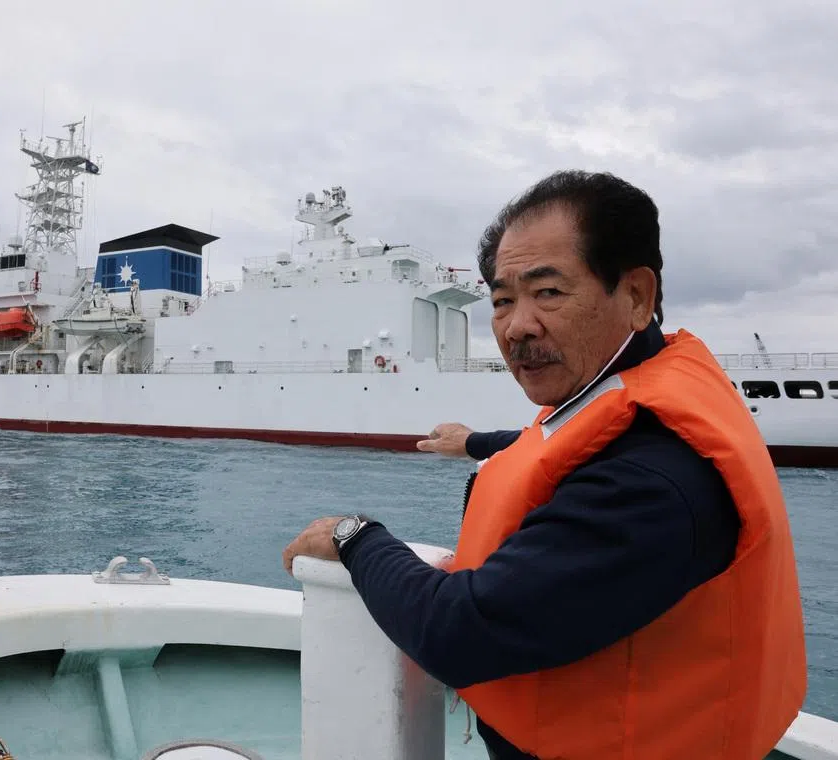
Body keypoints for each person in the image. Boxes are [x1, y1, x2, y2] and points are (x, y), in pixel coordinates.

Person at [282, 170, 806, 759]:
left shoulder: (651, 482)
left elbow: (457, 634)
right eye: (502, 300)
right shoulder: (631, 393)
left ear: (636, 296)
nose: (517, 326)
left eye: (548, 292)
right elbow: (557, 443)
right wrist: (477, 441)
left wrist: (357, 537)